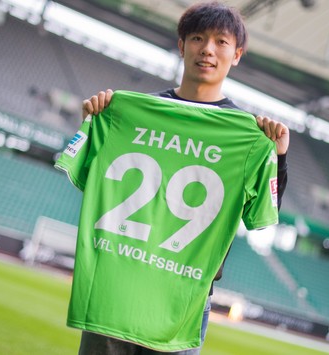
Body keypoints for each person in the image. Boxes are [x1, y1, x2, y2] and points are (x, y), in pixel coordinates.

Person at [73, 2, 289, 354]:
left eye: (221, 41)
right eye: (198, 38)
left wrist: (278, 158)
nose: (207, 49)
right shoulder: (130, 112)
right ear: (181, 46)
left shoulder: (250, 136)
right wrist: (94, 124)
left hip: (184, 298)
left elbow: (263, 215)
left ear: (237, 55)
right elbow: (88, 177)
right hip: (118, 280)